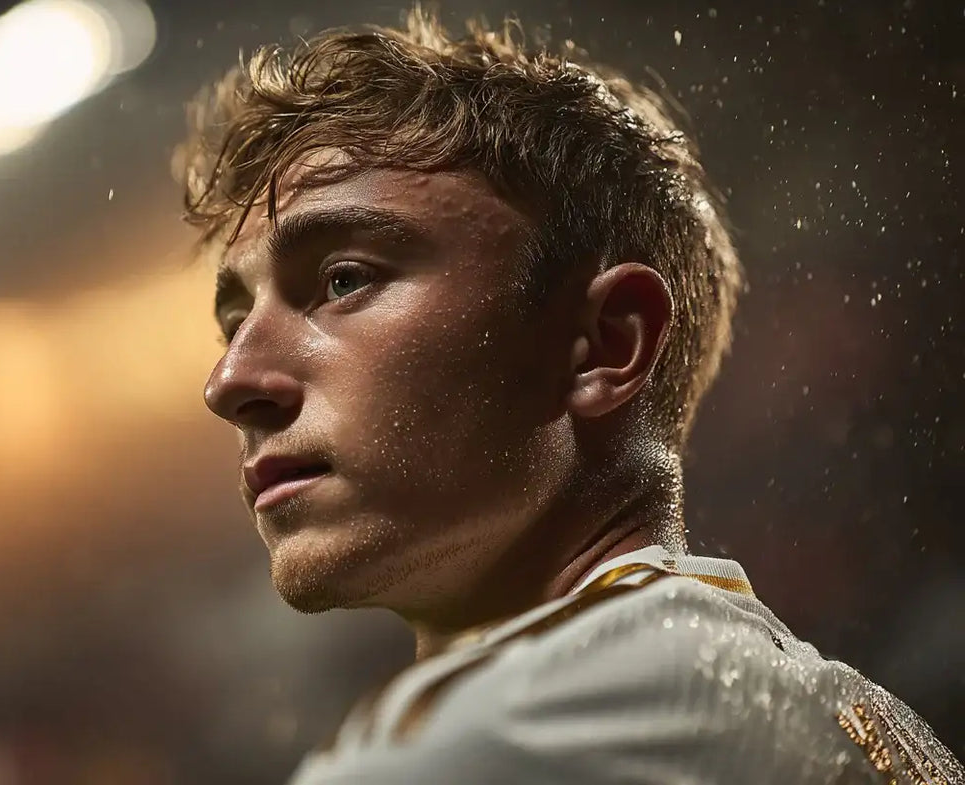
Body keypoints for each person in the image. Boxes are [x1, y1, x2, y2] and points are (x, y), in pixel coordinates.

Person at [173, 6, 962, 784]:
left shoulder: (527, 732)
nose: (230, 382)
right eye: (236, 322)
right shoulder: (862, 719)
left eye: (344, 279)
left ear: (605, 345)